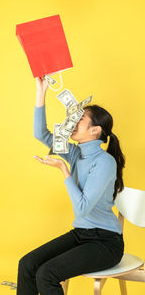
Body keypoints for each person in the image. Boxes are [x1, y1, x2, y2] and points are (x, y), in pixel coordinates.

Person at [16, 77, 125, 295]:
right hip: (82, 234)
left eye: (80, 119)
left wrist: (64, 171)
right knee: (27, 264)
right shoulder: (76, 153)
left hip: (105, 243)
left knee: (46, 274)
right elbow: (42, 134)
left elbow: (82, 208)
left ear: (95, 130)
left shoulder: (104, 162)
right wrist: (41, 91)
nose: (72, 121)